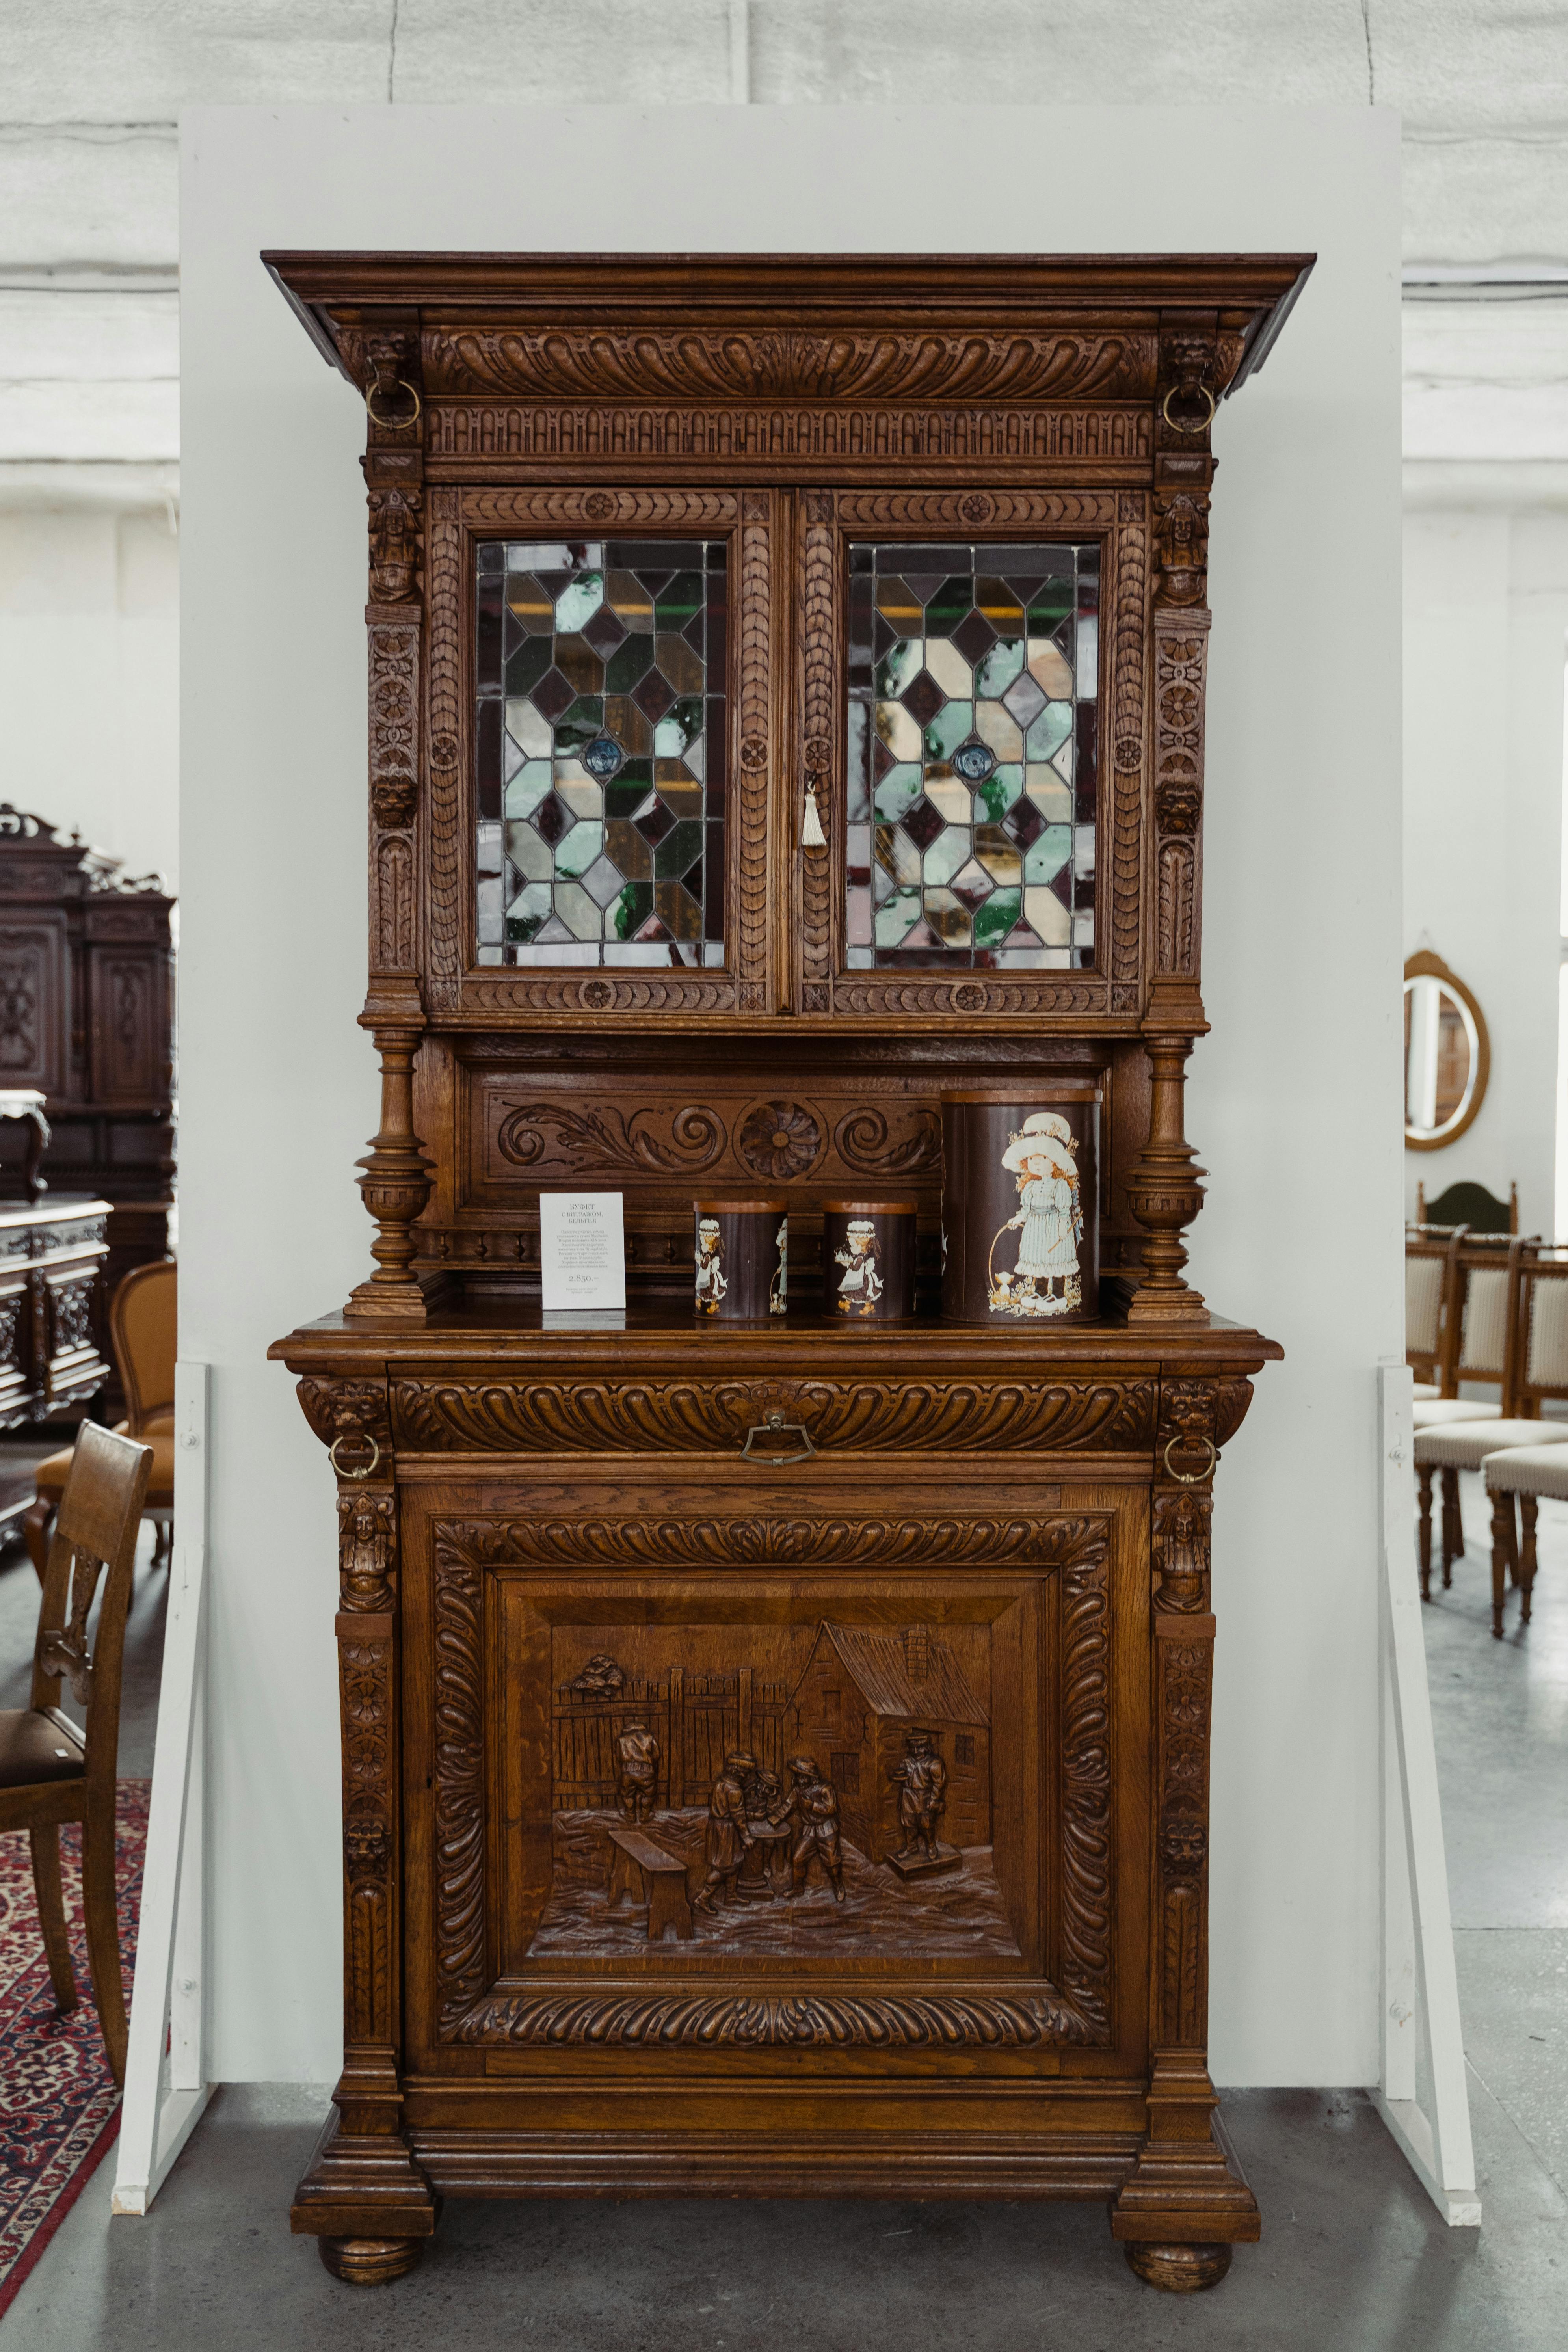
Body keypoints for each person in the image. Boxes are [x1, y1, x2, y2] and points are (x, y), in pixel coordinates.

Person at [991, 1111, 1083, 1318]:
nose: (1037, 1162)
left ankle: (1058, 1294)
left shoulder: (1060, 1186)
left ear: (1055, 1162)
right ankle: (1040, 1292)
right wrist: (1018, 1218)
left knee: (1056, 1259)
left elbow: (1063, 1209)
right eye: (1033, 1158)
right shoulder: (1031, 1187)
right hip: (1036, 1229)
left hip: (1053, 1226)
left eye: (1043, 1157)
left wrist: (1062, 1226)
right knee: (1040, 1260)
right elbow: (1026, 1209)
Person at [772, 1755, 845, 1901]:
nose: (801, 1780)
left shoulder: (825, 1789)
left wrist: (812, 1806)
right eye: (799, 1777)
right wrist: (776, 1818)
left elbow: (831, 1808)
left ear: (812, 1778)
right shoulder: (798, 1790)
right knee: (798, 1858)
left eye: (804, 1777)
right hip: (810, 1830)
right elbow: (788, 1805)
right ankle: (798, 1888)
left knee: (832, 1861)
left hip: (826, 1829)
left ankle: (838, 1886)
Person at [693, 1750, 756, 1913]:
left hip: (719, 1827)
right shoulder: (734, 1790)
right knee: (724, 1868)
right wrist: (747, 1836)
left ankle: (731, 1896)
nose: (746, 1776)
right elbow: (739, 1817)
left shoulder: (721, 1783)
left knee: (735, 1863)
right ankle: (703, 1898)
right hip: (726, 1831)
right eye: (745, 1772)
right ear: (736, 1770)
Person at [892, 1728, 948, 1863]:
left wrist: (934, 1799)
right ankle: (911, 1847)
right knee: (909, 1824)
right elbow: (902, 1777)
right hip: (908, 1797)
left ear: (926, 1747)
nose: (916, 1752)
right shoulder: (906, 1762)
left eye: (920, 1748)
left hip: (925, 1798)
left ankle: (931, 1846)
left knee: (927, 1825)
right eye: (913, 1748)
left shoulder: (934, 1763)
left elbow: (939, 1783)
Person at [833, 1217, 883, 1317]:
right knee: (852, 1291)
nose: (852, 1247)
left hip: (861, 1278)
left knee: (862, 1292)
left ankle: (869, 1306)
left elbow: (856, 1268)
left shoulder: (860, 1257)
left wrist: (848, 1264)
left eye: (853, 1245)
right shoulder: (859, 1256)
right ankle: (847, 1304)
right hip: (857, 1277)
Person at [615, 1719, 660, 1824]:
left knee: (627, 1795)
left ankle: (630, 1816)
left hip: (627, 1772)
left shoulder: (621, 1740)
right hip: (646, 1771)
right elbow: (657, 1755)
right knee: (649, 1793)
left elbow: (618, 1757)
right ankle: (645, 1816)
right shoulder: (650, 1738)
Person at [695, 1216, 727, 1314]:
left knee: (710, 1290)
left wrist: (700, 1261)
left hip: (708, 1275)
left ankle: (711, 1304)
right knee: (707, 1290)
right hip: (707, 1274)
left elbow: (704, 1266)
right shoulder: (707, 1252)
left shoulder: (709, 1255)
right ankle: (701, 1302)